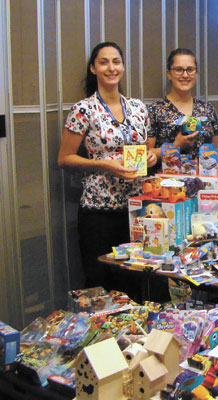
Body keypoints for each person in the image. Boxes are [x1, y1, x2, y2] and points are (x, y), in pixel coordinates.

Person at [57, 42, 157, 293]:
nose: (111, 68)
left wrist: (151, 156)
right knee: (100, 281)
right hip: (98, 210)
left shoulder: (138, 108)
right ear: (93, 68)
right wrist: (105, 164)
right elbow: (65, 158)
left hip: (136, 209)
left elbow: (146, 149)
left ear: (123, 66)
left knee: (135, 279)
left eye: (116, 61)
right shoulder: (83, 110)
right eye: (103, 62)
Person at [148, 48, 218, 161]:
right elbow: (145, 155)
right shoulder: (154, 111)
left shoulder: (208, 109)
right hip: (167, 177)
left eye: (190, 70)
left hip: (205, 176)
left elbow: (217, 151)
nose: (185, 75)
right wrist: (174, 146)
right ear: (168, 74)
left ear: (196, 73)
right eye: (178, 70)